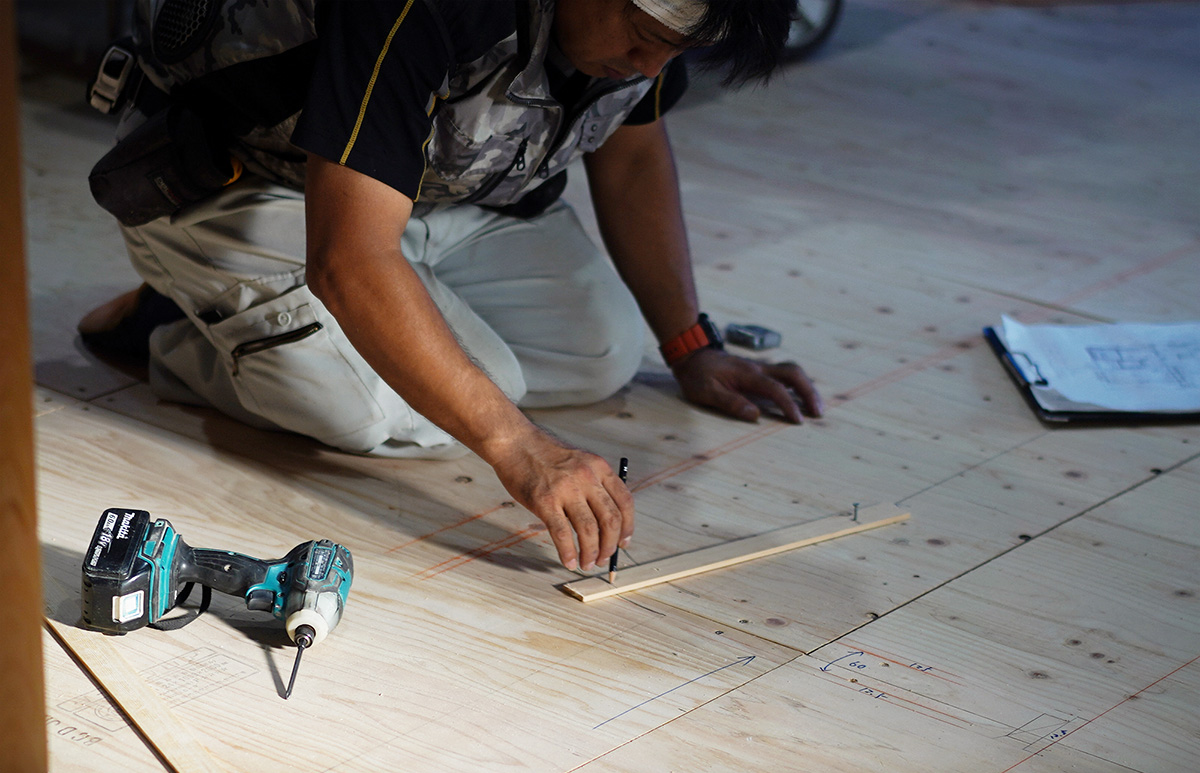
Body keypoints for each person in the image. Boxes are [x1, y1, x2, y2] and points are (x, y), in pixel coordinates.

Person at [79, 0, 823, 575]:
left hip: (442, 198)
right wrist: (517, 447)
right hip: (255, 191)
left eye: (681, 50)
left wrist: (691, 345)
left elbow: (631, 158)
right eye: (644, 32)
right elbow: (347, 259)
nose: (652, 64)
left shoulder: (648, 37)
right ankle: (173, 326)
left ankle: (312, 327)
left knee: (604, 353)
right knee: (410, 407)